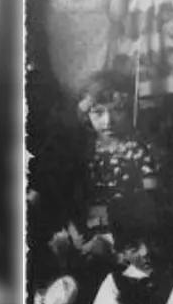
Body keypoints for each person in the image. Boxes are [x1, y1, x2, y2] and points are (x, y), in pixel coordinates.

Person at [51, 71, 162, 285]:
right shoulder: (82, 152)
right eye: (98, 113)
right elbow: (68, 198)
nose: (108, 121)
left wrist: (119, 242)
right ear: (86, 115)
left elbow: (151, 199)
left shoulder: (140, 150)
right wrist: (80, 236)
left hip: (130, 233)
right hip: (88, 232)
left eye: (117, 111)